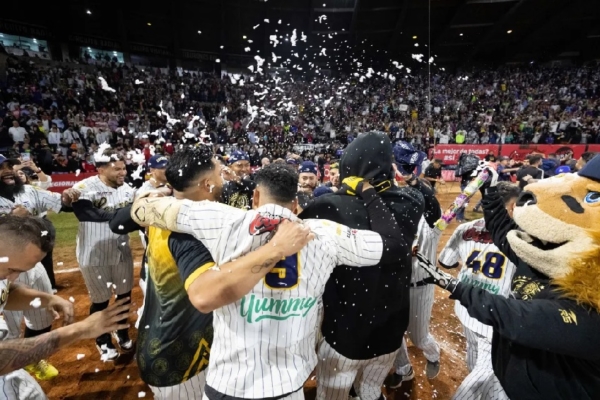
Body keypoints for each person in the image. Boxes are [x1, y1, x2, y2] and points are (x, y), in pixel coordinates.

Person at [131, 162, 407, 400]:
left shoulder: (219, 220)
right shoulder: (326, 235)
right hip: (287, 387)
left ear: (255, 196)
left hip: (227, 385)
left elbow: (140, 212)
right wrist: (368, 192)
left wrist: (161, 195)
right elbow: (395, 245)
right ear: (296, 204)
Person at [300, 134, 437, 400]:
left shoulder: (327, 206)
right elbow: (419, 195)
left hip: (345, 329)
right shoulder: (412, 202)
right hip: (390, 329)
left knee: (332, 394)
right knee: (371, 390)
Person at [109, 146, 223, 399]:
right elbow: (207, 296)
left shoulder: (164, 211)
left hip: (161, 336)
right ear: (207, 183)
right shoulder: (192, 227)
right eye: (220, 174)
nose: (223, 179)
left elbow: (117, 222)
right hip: (181, 356)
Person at [0, 215, 132, 400]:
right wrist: (80, 329)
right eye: (12, 270)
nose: (13, 277)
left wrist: (48, 299)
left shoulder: (3, 268)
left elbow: (7, 291)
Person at [438, 182, 520, 400]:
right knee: (489, 371)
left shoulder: (465, 228)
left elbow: (446, 262)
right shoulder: (519, 237)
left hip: (466, 306)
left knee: (475, 358)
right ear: (512, 208)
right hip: (496, 313)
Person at [67, 147, 135, 361]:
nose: (122, 173)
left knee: (124, 297)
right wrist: (121, 215)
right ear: (101, 169)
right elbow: (86, 213)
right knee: (101, 300)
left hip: (121, 250)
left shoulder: (127, 189)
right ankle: (102, 339)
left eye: (124, 168)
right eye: (117, 169)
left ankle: (121, 331)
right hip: (93, 255)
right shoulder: (85, 187)